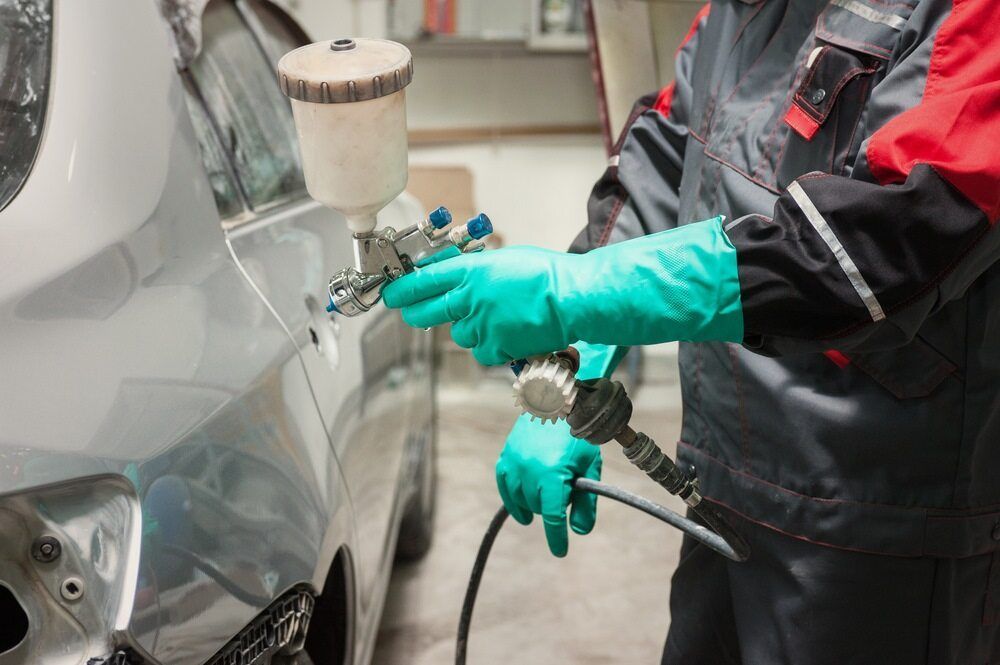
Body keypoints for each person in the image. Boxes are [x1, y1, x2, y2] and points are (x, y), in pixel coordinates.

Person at [384, 0, 1000, 662]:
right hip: (718, 485)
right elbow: (665, 154)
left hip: (877, 531)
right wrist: (576, 359)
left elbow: (879, 247)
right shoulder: (737, 12)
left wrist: (575, 293)